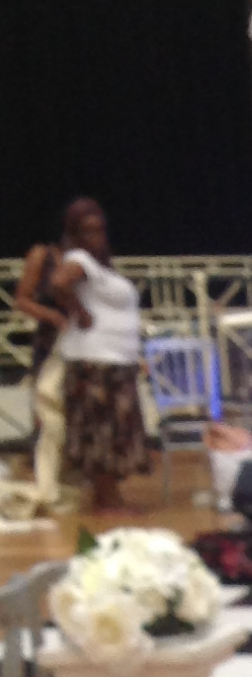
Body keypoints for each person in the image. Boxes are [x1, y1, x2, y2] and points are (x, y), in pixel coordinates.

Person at [50, 199, 151, 513]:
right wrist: (79, 312)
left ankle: (107, 497)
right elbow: (58, 283)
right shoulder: (79, 259)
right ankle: (107, 500)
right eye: (88, 231)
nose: (97, 237)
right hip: (96, 360)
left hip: (114, 358)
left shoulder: (100, 266)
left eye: (100, 229)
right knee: (102, 430)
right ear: (76, 234)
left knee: (114, 429)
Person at [12, 237, 75, 513]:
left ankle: (69, 480)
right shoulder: (42, 255)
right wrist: (52, 316)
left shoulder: (88, 257)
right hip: (52, 342)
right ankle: (48, 482)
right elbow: (22, 300)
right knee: (50, 413)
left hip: (84, 343)